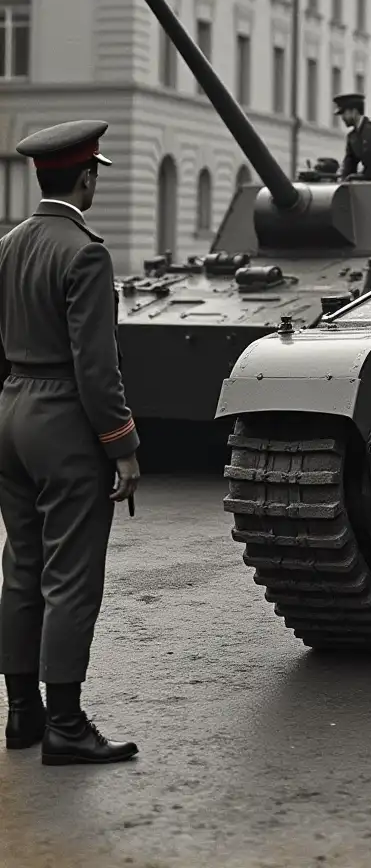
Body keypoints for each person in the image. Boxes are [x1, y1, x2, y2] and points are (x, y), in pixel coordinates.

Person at [0, 120, 140, 766]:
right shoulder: (85, 252)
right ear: (86, 179)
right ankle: (67, 725)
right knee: (71, 579)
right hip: (63, 420)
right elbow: (96, 367)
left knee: (22, 569)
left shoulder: (10, 244)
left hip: (11, 409)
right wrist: (122, 444)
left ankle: (22, 717)